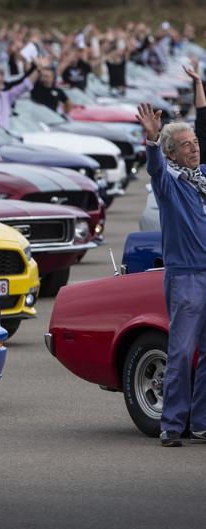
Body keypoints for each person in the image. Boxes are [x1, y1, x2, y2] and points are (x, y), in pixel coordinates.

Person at [136, 101, 206, 447]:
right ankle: (172, 425)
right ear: (172, 154)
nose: (194, 148)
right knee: (180, 351)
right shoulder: (169, 184)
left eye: (195, 143)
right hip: (187, 276)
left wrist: (199, 93)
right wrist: (151, 142)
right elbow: (155, 170)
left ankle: (202, 423)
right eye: (186, 145)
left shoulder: (202, 177)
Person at [0, 59, 42, 129]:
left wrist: (39, 69)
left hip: (5, 137)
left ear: (2, 83)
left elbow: (26, 85)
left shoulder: (7, 96)